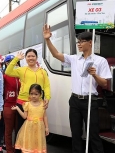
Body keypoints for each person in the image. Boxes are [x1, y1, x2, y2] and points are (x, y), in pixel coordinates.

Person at [43, 24, 112, 153]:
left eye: (82, 42)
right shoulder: (74, 59)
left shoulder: (100, 61)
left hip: (90, 101)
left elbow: (104, 83)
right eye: (78, 42)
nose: (79, 44)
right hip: (74, 101)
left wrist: (94, 75)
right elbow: (56, 54)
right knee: (75, 134)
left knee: (93, 134)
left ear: (90, 43)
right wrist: (47, 39)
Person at [5, 49, 51, 153]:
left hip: (38, 105)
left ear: (36, 57)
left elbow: (47, 86)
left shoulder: (43, 72)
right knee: (20, 130)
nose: (31, 58)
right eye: (28, 56)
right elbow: (8, 71)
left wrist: (47, 97)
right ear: (25, 58)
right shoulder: (22, 70)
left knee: (36, 131)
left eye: (33, 56)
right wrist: (16, 59)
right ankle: (19, 150)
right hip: (23, 103)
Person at [11, 84, 49, 153]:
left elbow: (45, 116)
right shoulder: (27, 104)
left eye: (36, 94)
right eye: (31, 94)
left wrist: (47, 127)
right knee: (29, 145)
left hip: (39, 129)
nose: (33, 96)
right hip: (29, 128)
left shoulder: (43, 104)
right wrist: (17, 108)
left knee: (37, 145)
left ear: (40, 94)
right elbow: (24, 116)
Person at [2, 55, 20, 153]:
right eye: (9, 62)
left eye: (15, 61)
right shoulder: (4, 76)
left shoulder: (20, 74)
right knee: (8, 130)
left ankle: (17, 148)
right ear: (6, 63)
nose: (13, 63)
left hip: (20, 105)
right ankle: (9, 150)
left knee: (18, 129)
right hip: (9, 105)